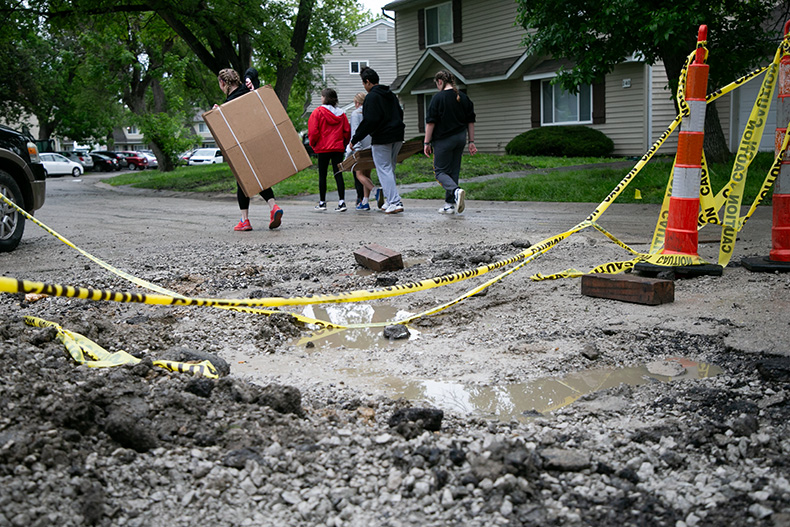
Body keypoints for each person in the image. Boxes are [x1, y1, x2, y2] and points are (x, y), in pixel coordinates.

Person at [216, 68, 283, 231]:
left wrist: (217, 114)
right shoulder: (250, 89)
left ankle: (246, 220)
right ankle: (272, 207)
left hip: (242, 147)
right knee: (252, 178)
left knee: (243, 179)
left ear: (223, 83)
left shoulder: (227, 105)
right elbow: (252, 70)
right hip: (260, 142)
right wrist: (248, 79)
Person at [350, 67, 406, 214]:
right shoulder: (390, 95)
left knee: (384, 169)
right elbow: (400, 112)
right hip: (398, 135)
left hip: (382, 137)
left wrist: (355, 139)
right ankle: (389, 200)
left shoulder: (372, 97)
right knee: (390, 169)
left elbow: (370, 121)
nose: (364, 87)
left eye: (364, 83)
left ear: (367, 82)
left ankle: (395, 201)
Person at [423, 70, 477, 214]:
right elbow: (470, 121)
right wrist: (471, 141)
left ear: (440, 82)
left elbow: (430, 123)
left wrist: (426, 143)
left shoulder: (438, 98)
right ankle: (449, 204)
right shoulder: (463, 97)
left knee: (440, 172)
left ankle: (456, 191)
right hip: (460, 138)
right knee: (453, 171)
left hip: (443, 140)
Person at [308, 88, 351, 211]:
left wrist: (313, 144)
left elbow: (313, 131)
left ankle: (322, 202)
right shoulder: (341, 114)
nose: (321, 98)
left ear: (325, 98)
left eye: (322, 96)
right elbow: (347, 131)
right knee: (338, 174)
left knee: (323, 175)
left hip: (323, 148)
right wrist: (344, 143)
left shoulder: (317, 112)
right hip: (337, 148)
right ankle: (341, 201)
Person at [346, 92, 377, 211]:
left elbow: (355, 132)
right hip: (372, 147)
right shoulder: (371, 112)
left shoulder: (356, 113)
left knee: (359, 174)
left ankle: (375, 191)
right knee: (367, 175)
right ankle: (365, 201)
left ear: (357, 103)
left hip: (360, 148)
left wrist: (355, 148)